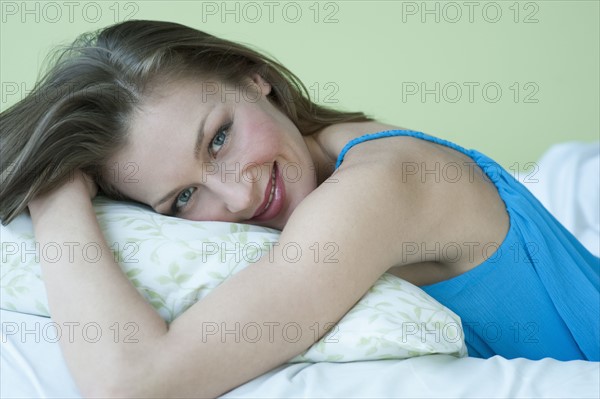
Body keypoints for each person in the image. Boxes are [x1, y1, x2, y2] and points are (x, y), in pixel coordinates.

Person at [0, 19, 598, 397]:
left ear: (253, 77)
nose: (238, 197)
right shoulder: (335, 145)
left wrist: (53, 198)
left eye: (219, 138)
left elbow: (133, 386)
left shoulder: (380, 186)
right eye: (184, 198)